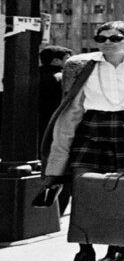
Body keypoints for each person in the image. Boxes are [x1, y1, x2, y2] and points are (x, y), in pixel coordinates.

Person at [41, 22, 124, 261]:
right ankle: (84, 248)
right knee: (82, 189)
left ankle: (117, 245)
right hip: (90, 127)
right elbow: (72, 107)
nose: (107, 42)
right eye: (101, 38)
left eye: (115, 38)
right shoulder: (82, 65)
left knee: (119, 189)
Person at [38, 45, 73, 214]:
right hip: (55, 133)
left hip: (32, 134)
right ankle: (55, 213)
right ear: (57, 61)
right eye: (67, 59)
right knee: (60, 173)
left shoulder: (29, 74)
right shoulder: (61, 79)